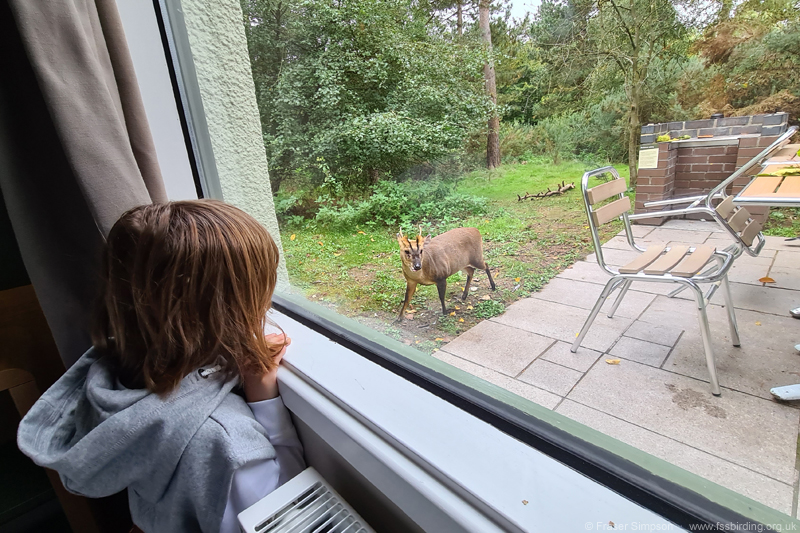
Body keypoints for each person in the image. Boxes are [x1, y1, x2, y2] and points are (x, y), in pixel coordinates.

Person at [17, 200, 305, 532]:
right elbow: (288, 514)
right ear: (229, 306)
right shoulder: (225, 441)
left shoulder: (113, 370)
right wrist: (265, 402)